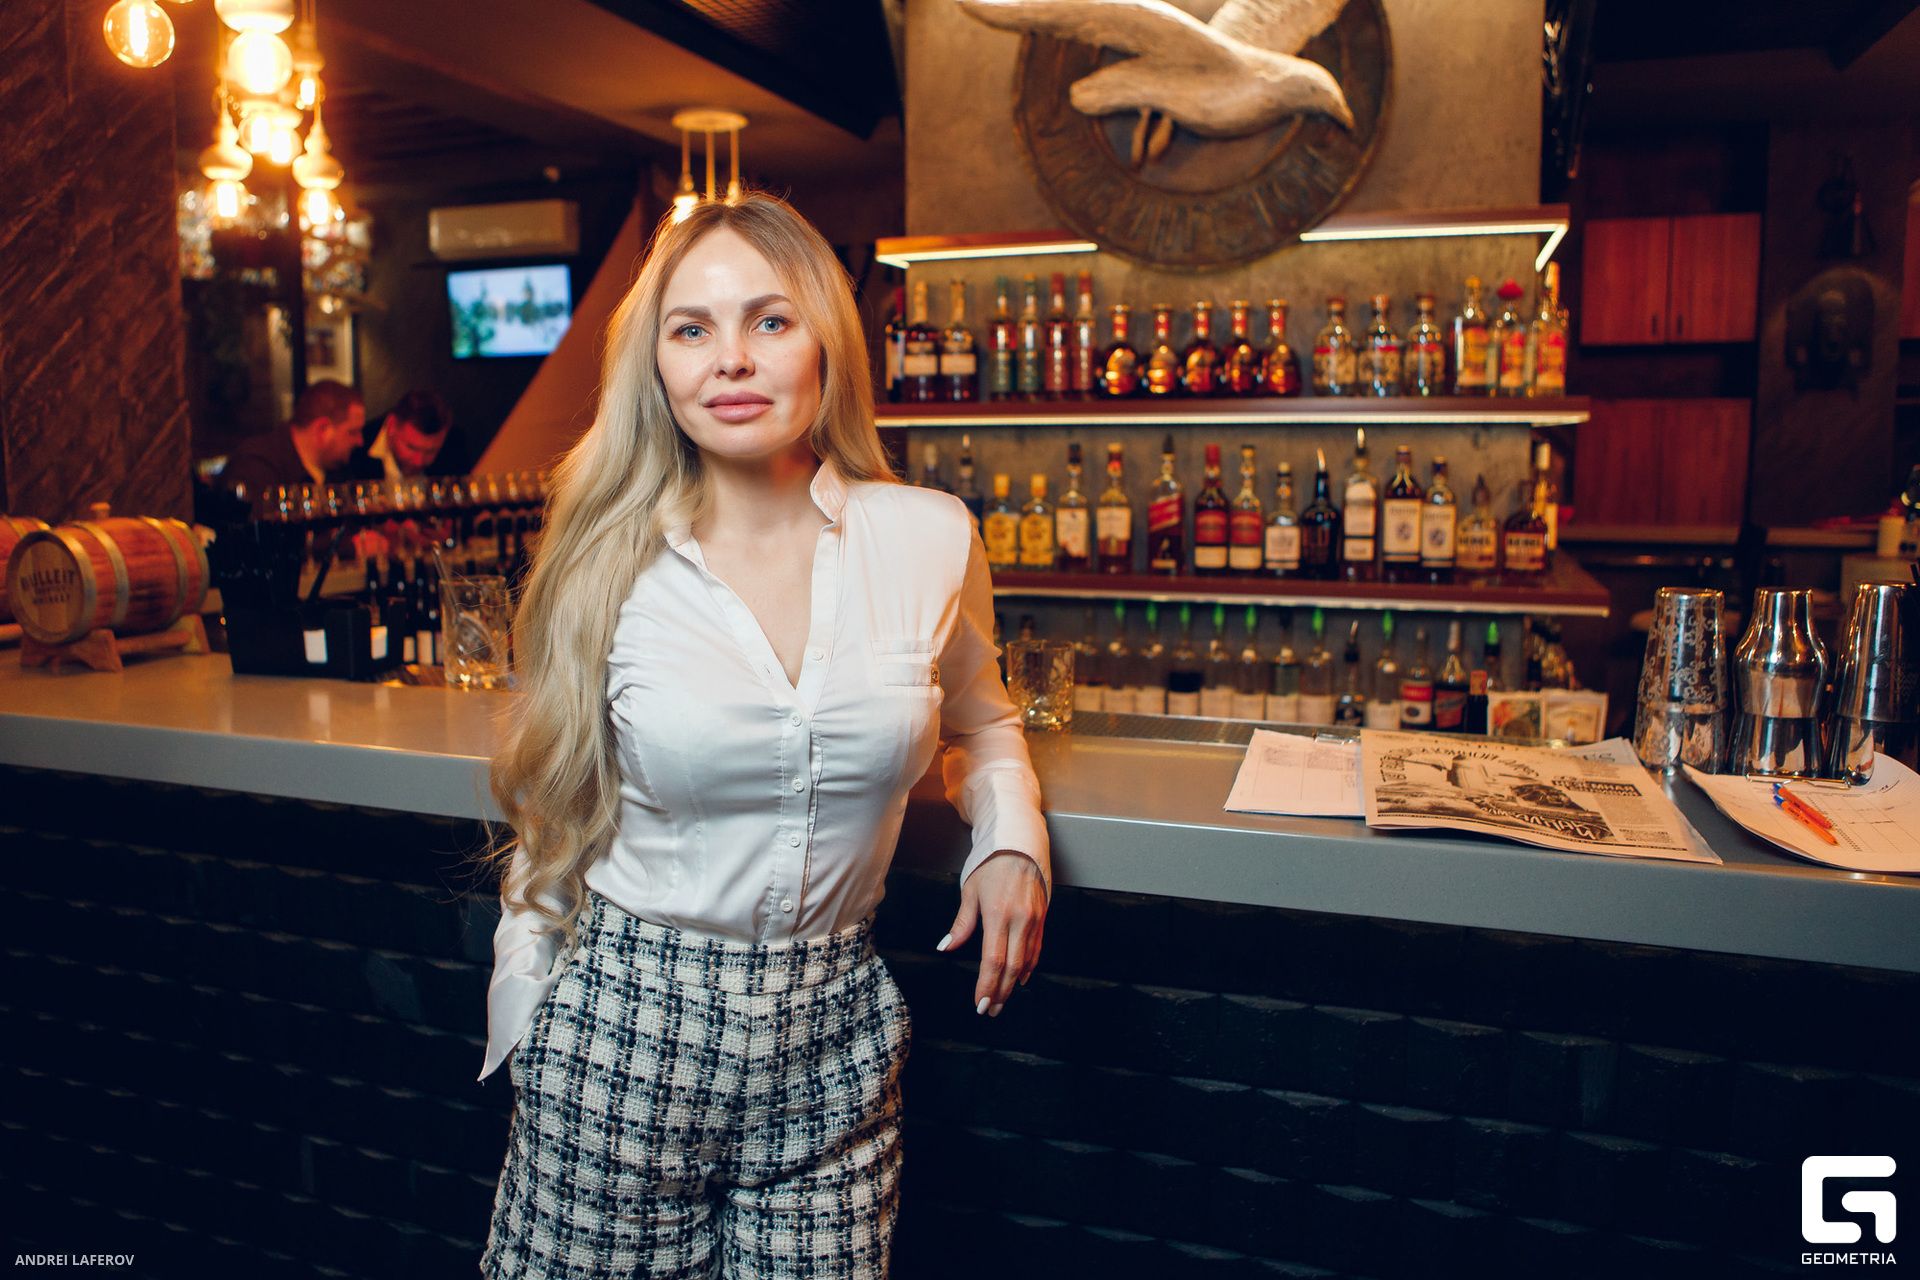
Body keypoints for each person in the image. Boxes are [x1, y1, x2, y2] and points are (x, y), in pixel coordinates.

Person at [479, 192, 1049, 1278]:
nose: (730, 359)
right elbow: (552, 813)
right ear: (656, 366)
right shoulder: (601, 558)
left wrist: (1011, 837)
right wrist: (526, 1018)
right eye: (691, 329)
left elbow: (984, 721)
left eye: (770, 320)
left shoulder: (929, 535)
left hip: (836, 1037)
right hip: (624, 1030)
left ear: (827, 340)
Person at [219, 379, 365, 511]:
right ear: (322, 429)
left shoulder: (339, 470)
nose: (360, 441)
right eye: (353, 432)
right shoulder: (256, 466)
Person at [347, 389, 472, 484]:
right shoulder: (357, 447)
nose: (418, 461)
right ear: (391, 425)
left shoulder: (454, 446)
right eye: (411, 447)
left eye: (430, 451)